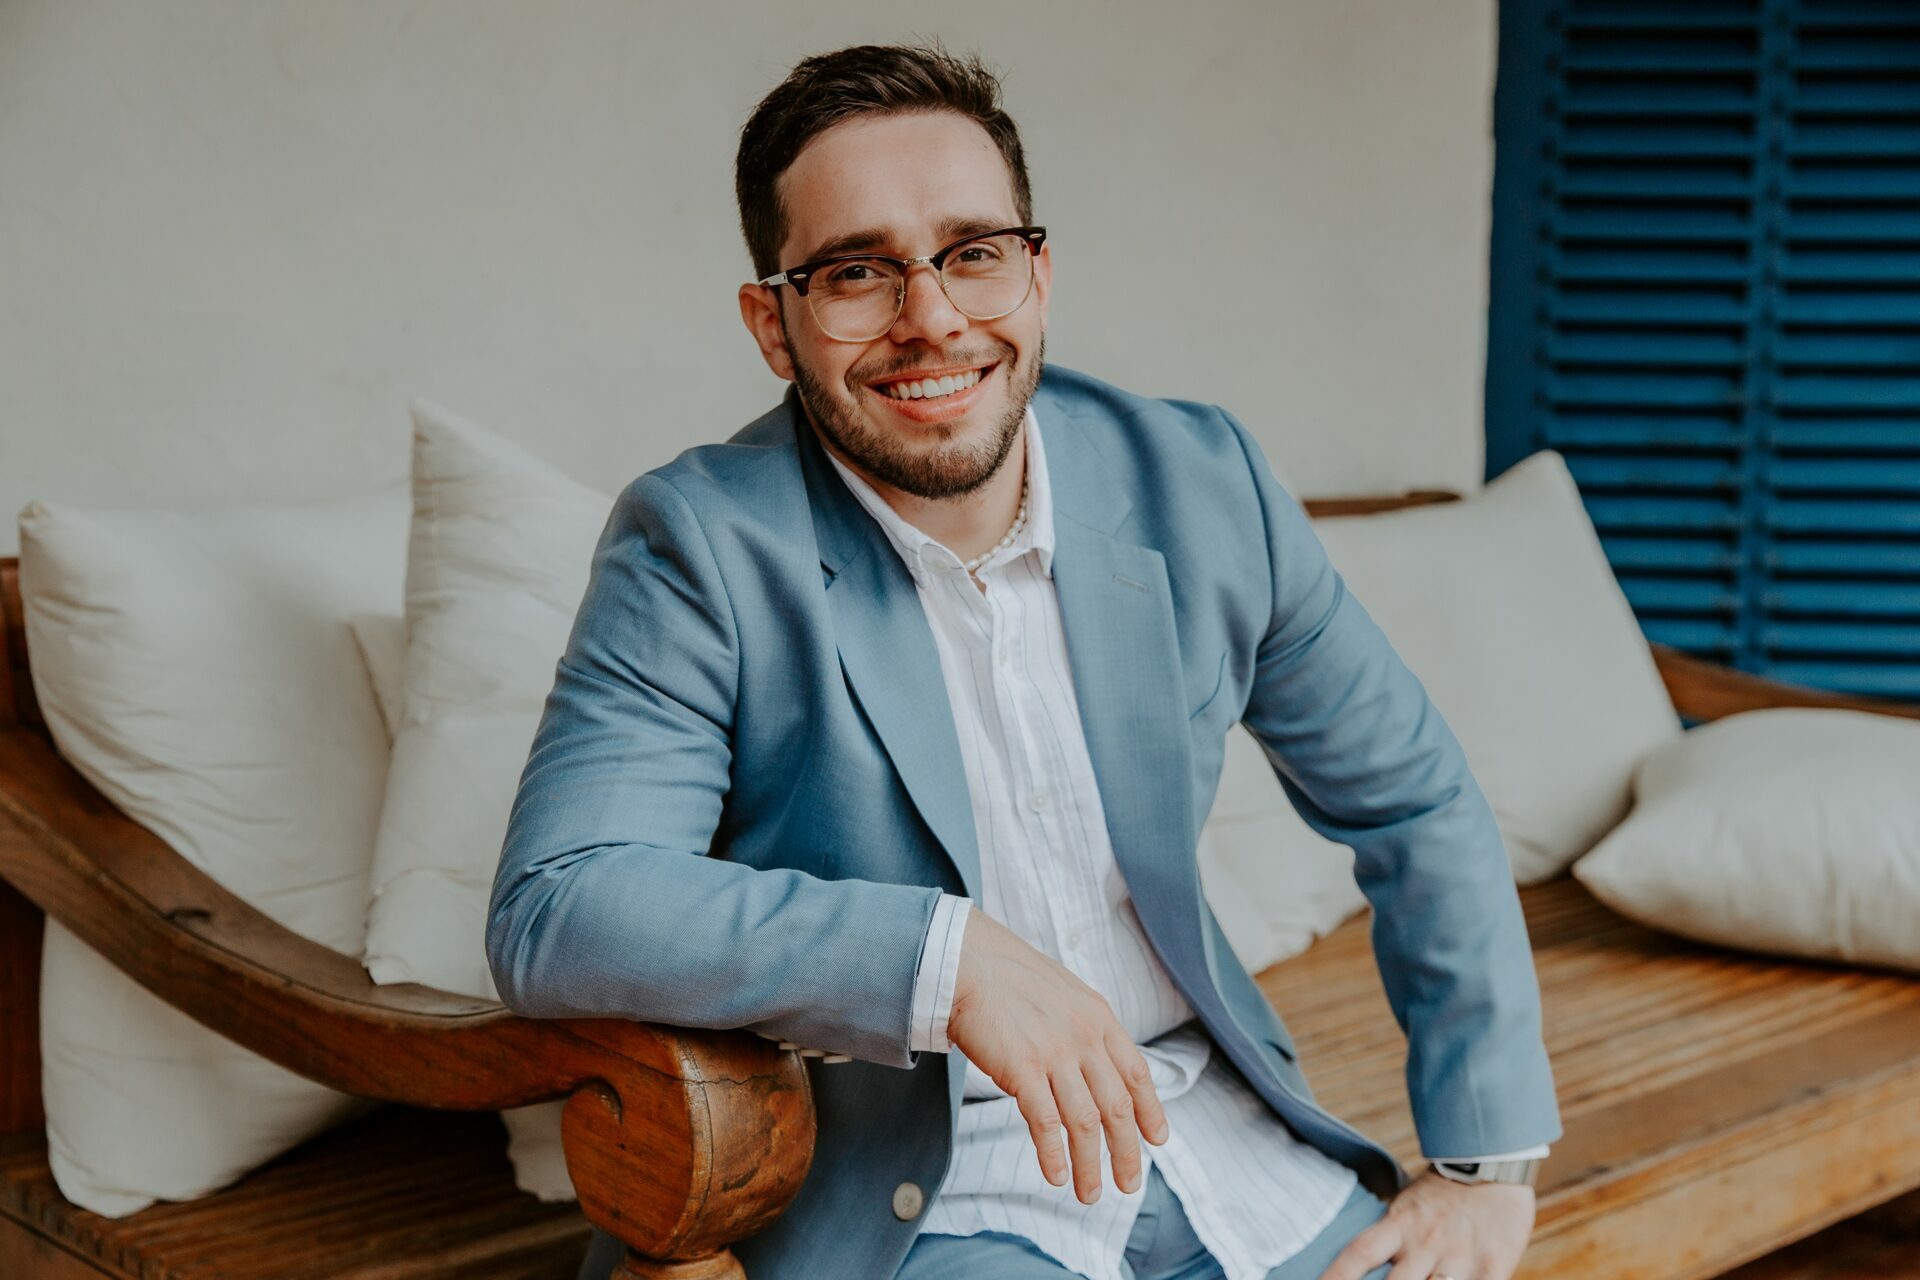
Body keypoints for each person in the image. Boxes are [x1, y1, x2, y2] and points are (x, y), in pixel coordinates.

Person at [489, 42, 1561, 1280]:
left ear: (1038, 275)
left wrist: (1488, 1163)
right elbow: (559, 902)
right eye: (856, 272)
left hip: (1223, 1141)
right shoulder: (700, 543)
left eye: (973, 252)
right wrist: (943, 959)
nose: (932, 318)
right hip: (923, 1201)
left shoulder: (1202, 481)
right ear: (773, 325)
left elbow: (1411, 792)